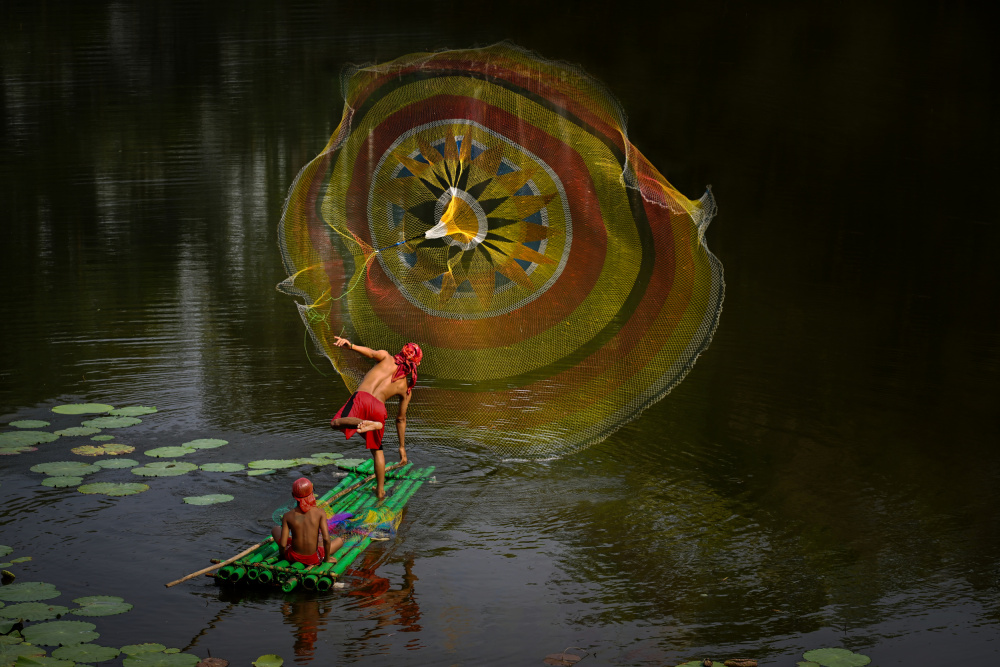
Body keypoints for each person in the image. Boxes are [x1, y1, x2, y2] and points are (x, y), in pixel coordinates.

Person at [330, 337, 422, 500]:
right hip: (379, 409)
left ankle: (363, 423)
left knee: (335, 423)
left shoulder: (386, 357)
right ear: (414, 364)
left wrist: (350, 345)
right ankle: (380, 492)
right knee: (377, 451)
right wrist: (401, 447)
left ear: (402, 351)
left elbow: (371, 354)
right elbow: (401, 419)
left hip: (362, 398)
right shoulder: (405, 388)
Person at [271, 477, 342, 567]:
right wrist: (327, 558)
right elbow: (326, 539)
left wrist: (282, 556)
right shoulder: (320, 513)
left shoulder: (287, 515)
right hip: (313, 558)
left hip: (293, 556)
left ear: (293, 495)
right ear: (312, 493)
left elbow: (283, 544)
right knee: (339, 540)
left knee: (275, 529)